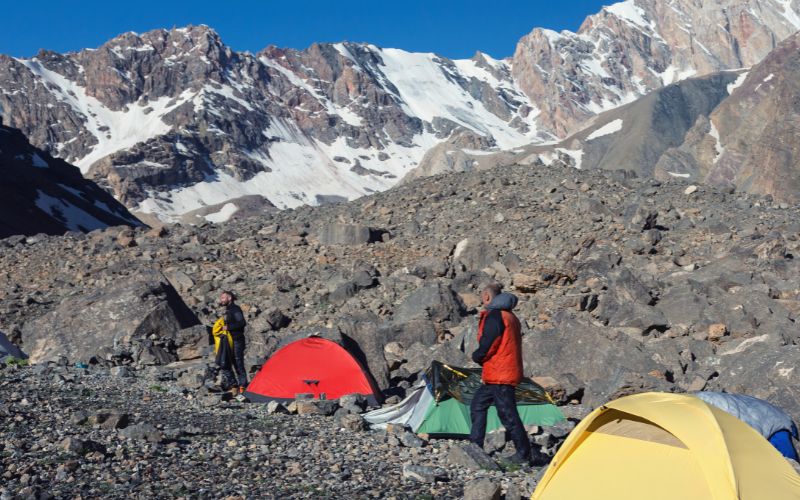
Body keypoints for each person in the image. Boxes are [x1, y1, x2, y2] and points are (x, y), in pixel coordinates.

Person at [469, 282, 531, 464]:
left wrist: (478, 356)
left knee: (507, 413)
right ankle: (475, 445)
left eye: (482, 296)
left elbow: (490, 342)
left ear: (487, 296)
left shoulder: (495, 316)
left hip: (500, 374)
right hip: (499, 373)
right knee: (478, 404)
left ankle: (524, 453)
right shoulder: (509, 316)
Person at [219, 291, 248, 399]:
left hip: (237, 340)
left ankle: (242, 387)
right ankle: (234, 385)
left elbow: (242, 323)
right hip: (228, 341)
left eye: (223, 297)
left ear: (229, 298)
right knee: (225, 362)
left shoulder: (235, 309)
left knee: (237, 363)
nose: (221, 300)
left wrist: (229, 327)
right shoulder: (228, 310)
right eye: (221, 298)